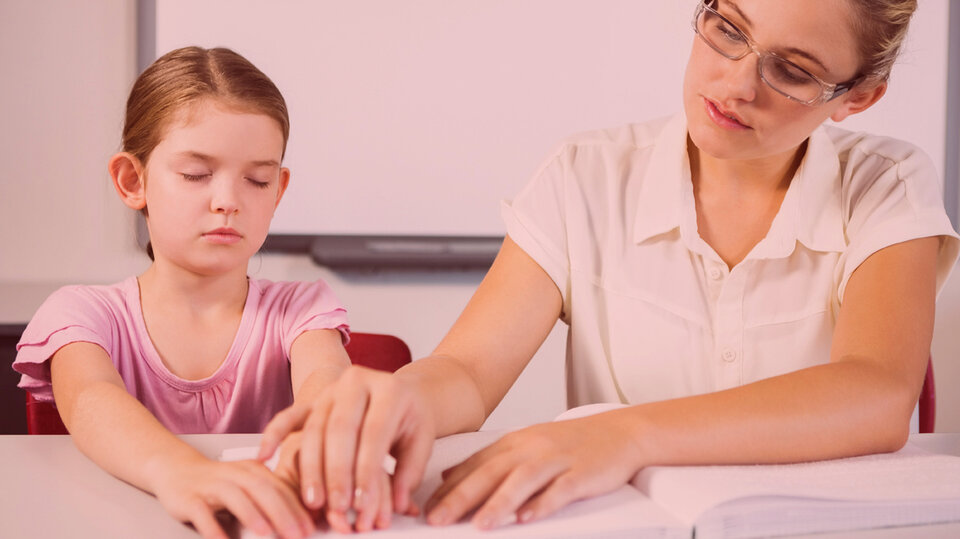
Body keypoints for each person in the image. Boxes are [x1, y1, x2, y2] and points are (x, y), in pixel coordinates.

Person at [257, 0, 960, 532]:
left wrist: (622, 432)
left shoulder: (885, 184)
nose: (738, 84)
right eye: (727, 29)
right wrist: (401, 398)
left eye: (794, 71)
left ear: (860, 95)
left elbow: (875, 391)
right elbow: (468, 373)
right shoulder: (586, 176)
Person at [12, 46, 388, 539]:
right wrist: (185, 474)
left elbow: (326, 383)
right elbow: (90, 398)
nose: (228, 201)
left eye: (257, 180)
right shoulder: (80, 313)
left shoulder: (301, 309)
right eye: (196, 175)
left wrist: (315, 442)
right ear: (132, 181)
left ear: (278, 191)